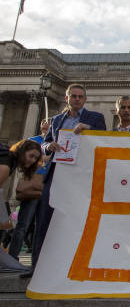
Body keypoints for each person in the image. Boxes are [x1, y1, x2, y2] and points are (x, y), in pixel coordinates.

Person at [27, 84, 107, 277]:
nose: (77, 99)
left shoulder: (95, 119)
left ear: (85, 100)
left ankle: (74, 266)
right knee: (44, 218)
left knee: (79, 220)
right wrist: (48, 147)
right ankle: (36, 267)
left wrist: (89, 129)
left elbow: (105, 138)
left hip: (82, 175)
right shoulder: (55, 121)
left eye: (80, 96)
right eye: (74, 96)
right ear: (67, 98)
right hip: (57, 173)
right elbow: (44, 142)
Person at [8, 121, 50, 260]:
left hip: (49, 184)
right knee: (23, 225)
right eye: (45, 122)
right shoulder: (33, 141)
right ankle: (12, 257)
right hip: (33, 184)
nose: (47, 124)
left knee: (42, 226)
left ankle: (37, 259)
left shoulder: (56, 141)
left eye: (50, 123)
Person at [0, 140, 43, 253]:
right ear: (22, 151)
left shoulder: (10, 160)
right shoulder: (6, 163)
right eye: (31, 156)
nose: (32, 160)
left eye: (35, 158)